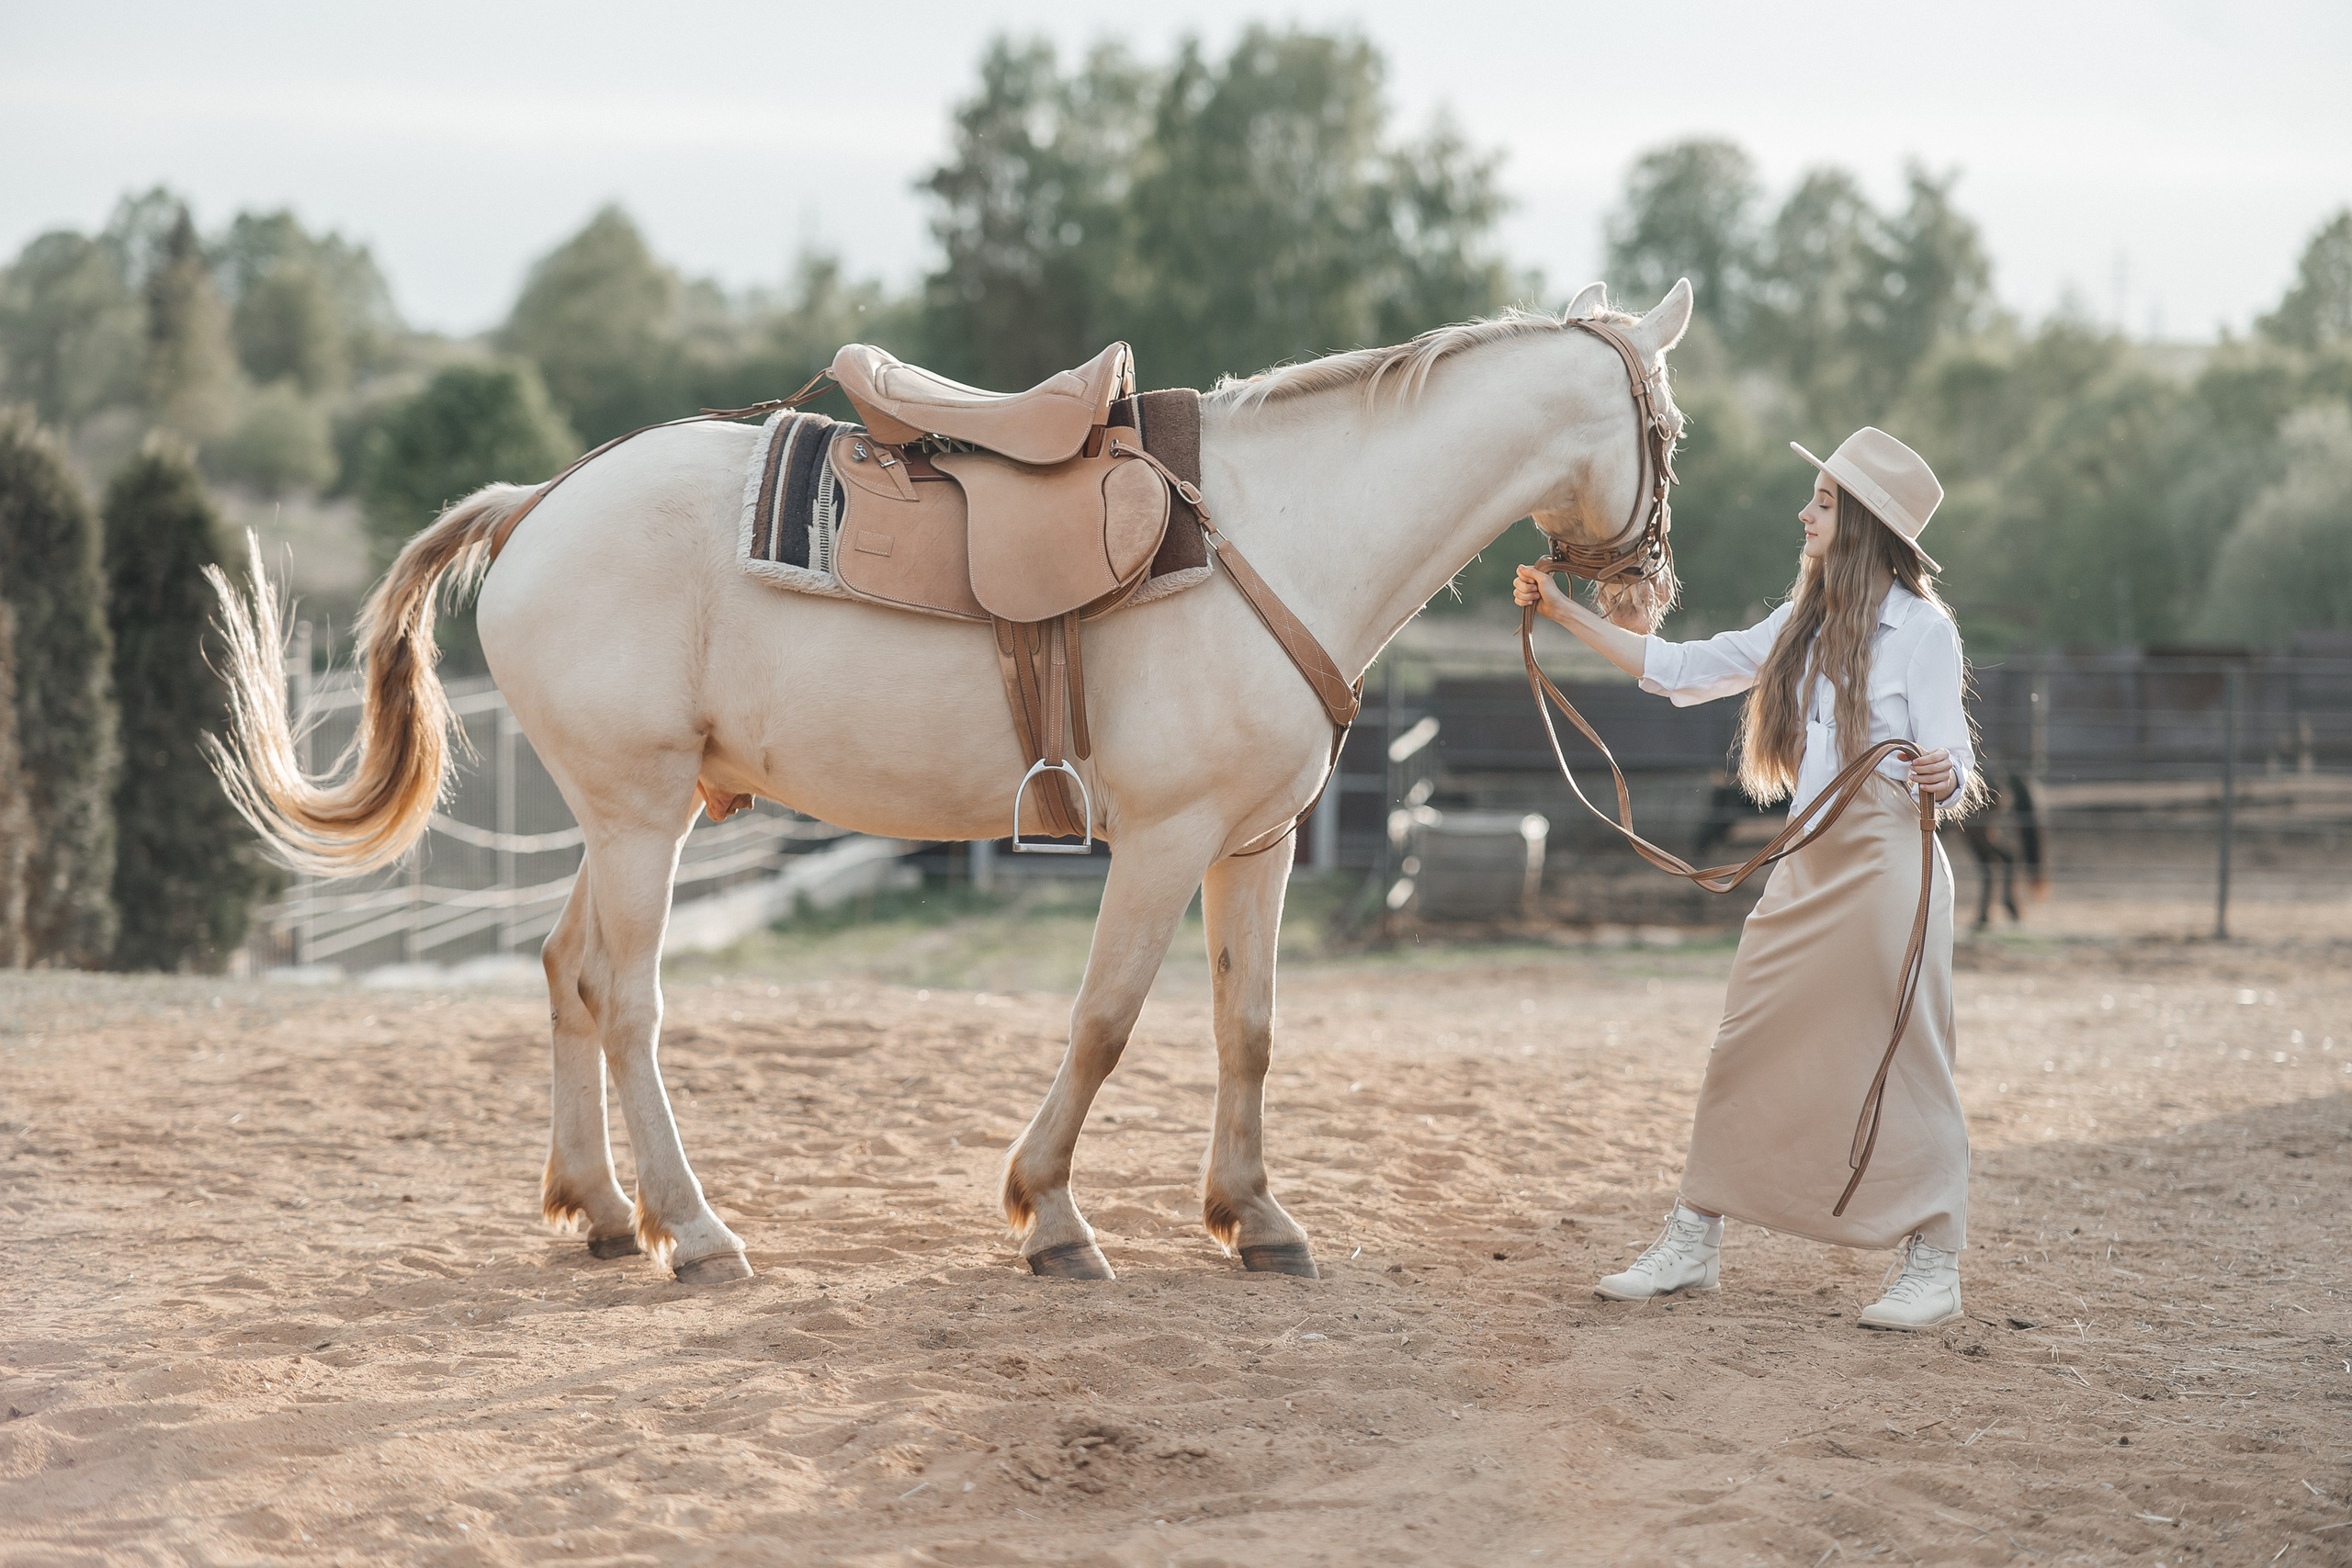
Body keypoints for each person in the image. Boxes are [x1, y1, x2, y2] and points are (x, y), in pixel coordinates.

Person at [1514, 427, 1977, 1331]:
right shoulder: (1800, 619)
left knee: (1908, 1057)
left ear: (1865, 525)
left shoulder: (1923, 632)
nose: (1804, 514)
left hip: (1889, 865)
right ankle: (1694, 1237)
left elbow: (1952, 764)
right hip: (1808, 864)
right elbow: (1684, 672)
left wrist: (1942, 776)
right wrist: (1564, 613)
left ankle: (1935, 1260)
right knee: (1744, 1042)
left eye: (1824, 503)